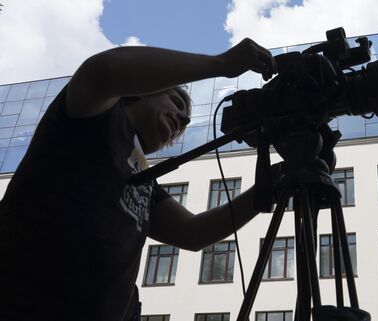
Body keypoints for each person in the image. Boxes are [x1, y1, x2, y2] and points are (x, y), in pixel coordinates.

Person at [0, 38, 277, 321]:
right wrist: (221, 64)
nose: (183, 119)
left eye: (185, 119)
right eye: (176, 102)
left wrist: (273, 185)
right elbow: (105, 69)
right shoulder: (90, 117)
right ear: (140, 91)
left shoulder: (143, 176)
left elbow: (193, 233)